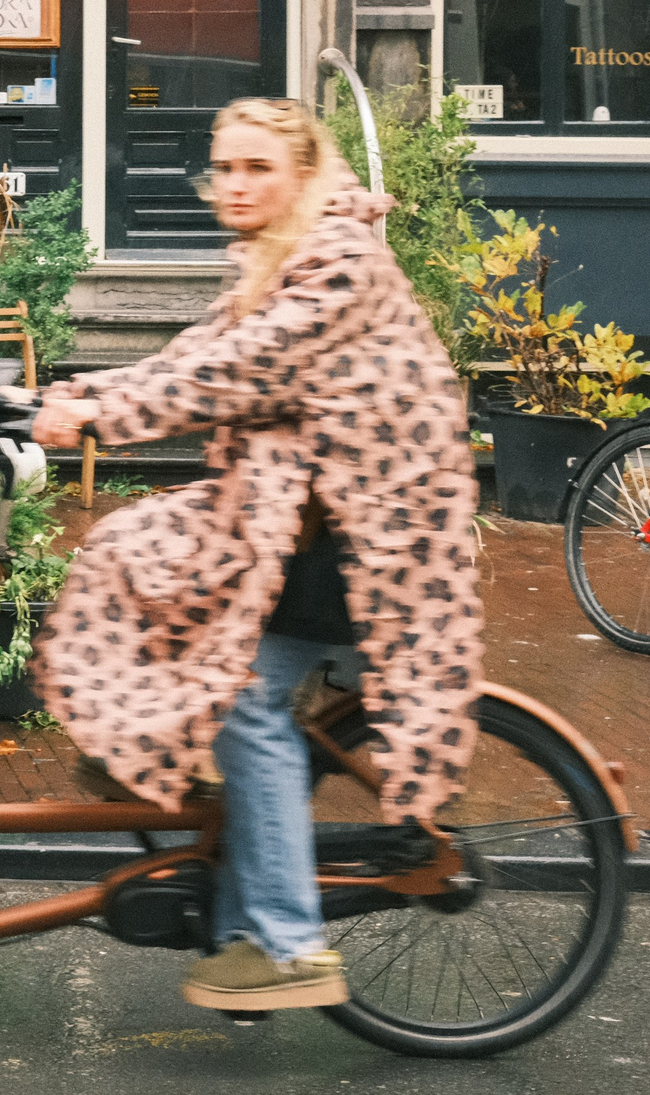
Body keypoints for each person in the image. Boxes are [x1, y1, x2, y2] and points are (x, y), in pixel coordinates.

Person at [31, 97, 482, 1014]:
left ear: (304, 178)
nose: (234, 187)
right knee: (128, 544)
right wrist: (77, 388)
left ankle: (288, 945)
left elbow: (235, 372)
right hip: (303, 513)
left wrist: (99, 420)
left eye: (256, 171)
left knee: (241, 692)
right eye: (222, 169)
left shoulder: (340, 264)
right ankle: (157, 763)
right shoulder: (275, 254)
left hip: (372, 543)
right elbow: (196, 352)